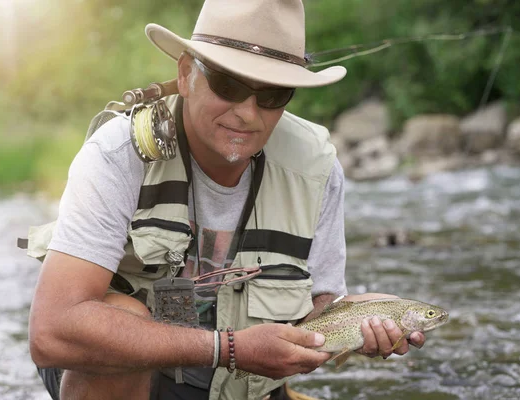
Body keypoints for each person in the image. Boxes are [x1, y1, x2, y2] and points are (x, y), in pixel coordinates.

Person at [28, 1, 426, 399]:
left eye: (272, 94)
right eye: (228, 85)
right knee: (121, 316)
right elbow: (53, 330)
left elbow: (320, 309)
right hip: (128, 379)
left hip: (243, 388)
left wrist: (362, 318)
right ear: (186, 74)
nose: (247, 113)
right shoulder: (118, 153)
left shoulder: (317, 168)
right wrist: (230, 348)